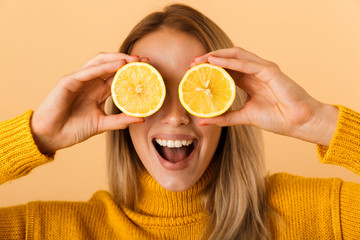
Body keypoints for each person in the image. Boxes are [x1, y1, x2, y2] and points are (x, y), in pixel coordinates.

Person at [0, 3, 359, 240]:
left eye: (197, 90)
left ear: (228, 98)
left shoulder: (318, 214)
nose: (175, 116)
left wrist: (318, 122)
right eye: (152, 90)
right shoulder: (51, 230)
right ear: (121, 106)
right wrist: (34, 137)